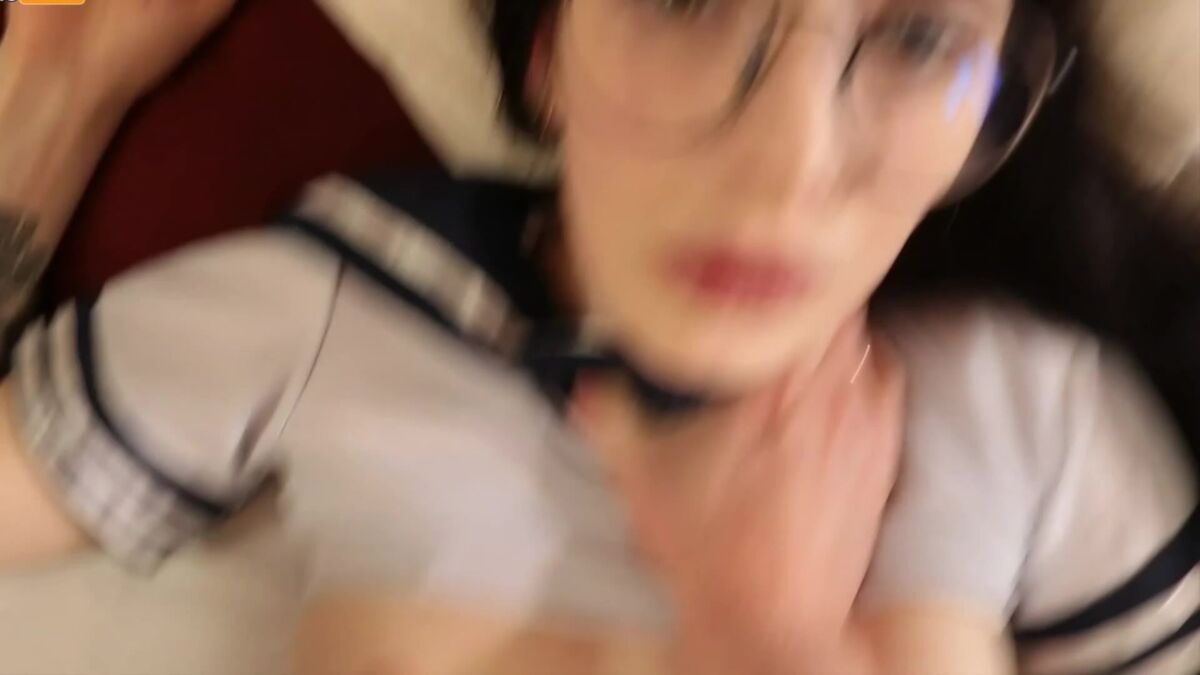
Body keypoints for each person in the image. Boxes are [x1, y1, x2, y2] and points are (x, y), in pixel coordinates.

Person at [0, 1, 1195, 674]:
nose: (786, 167)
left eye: (920, 39)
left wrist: (767, 638)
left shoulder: (1030, 409)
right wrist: (61, 91)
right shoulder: (341, 306)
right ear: (546, 53)